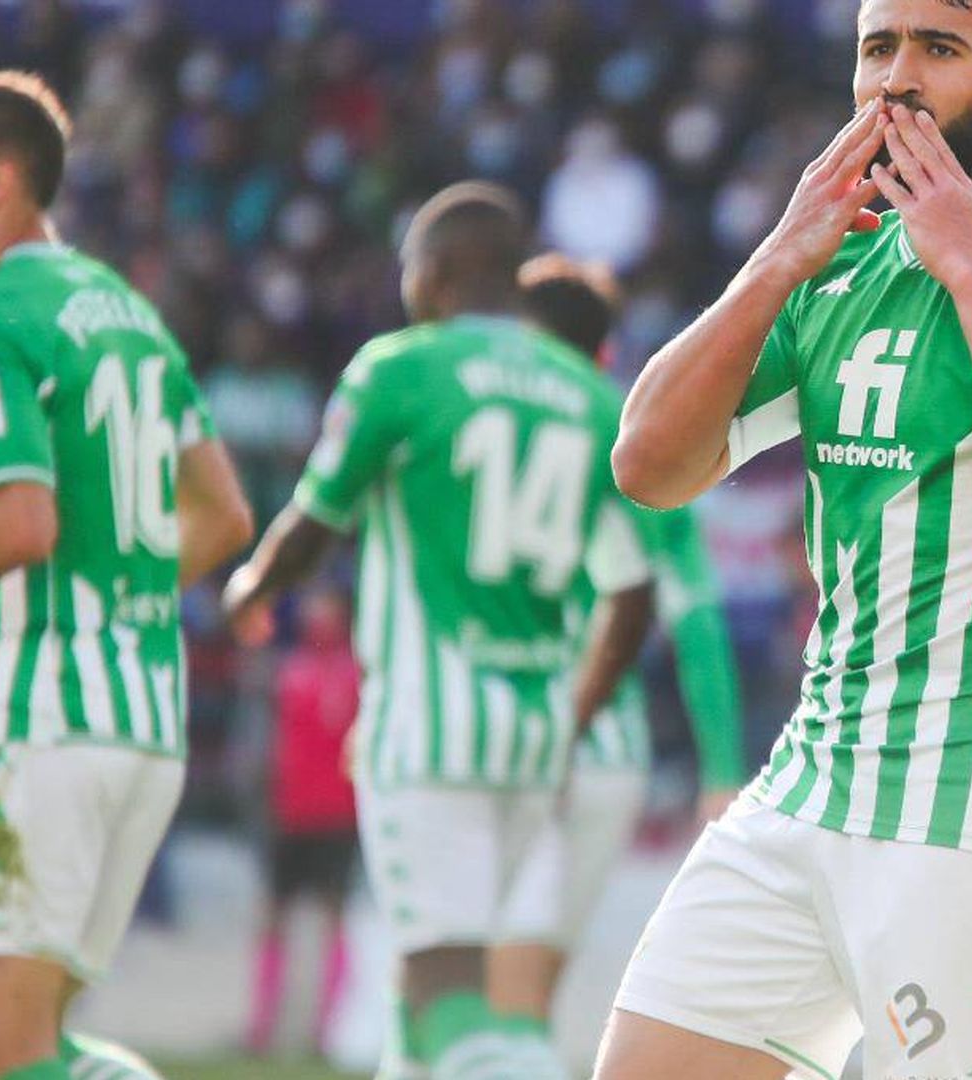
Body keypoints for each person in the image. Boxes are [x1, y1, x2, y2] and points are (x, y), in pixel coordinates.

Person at [599, 1, 972, 1077]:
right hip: (814, 766)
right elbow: (648, 463)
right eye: (877, 48)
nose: (896, 80)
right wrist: (778, 258)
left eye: (939, 50)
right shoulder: (832, 273)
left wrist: (964, 255)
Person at [0, 70, 254, 1080]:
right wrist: (102, 591)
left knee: (7, 1052)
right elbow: (224, 514)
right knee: (44, 1045)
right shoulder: (127, 312)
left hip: (42, 727)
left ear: (0, 182)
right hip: (146, 720)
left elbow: (18, 522)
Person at [222, 180, 655, 1080]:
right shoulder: (588, 395)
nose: (406, 287)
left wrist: (251, 590)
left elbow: (313, 521)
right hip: (536, 738)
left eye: (412, 267)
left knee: (443, 981)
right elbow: (634, 593)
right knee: (431, 1005)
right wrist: (576, 710)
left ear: (450, 269)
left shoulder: (400, 369)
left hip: (429, 732)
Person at [488, 254, 750, 1032]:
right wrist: (723, 769)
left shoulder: (476, 419)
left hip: (494, 735)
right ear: (607, 355)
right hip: (606, 752)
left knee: (468, 1001)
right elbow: (696, 621)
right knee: (522, 1006)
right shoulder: (631, 433)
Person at [246, 586, 360, 1058]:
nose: (318, 614)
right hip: (289, 812)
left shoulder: (356, 673)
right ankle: (262, 1027)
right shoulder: (288, 668)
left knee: (332, 918)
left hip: (336, 815)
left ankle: (324, 1031)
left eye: (327, 605)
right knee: (273, 917)